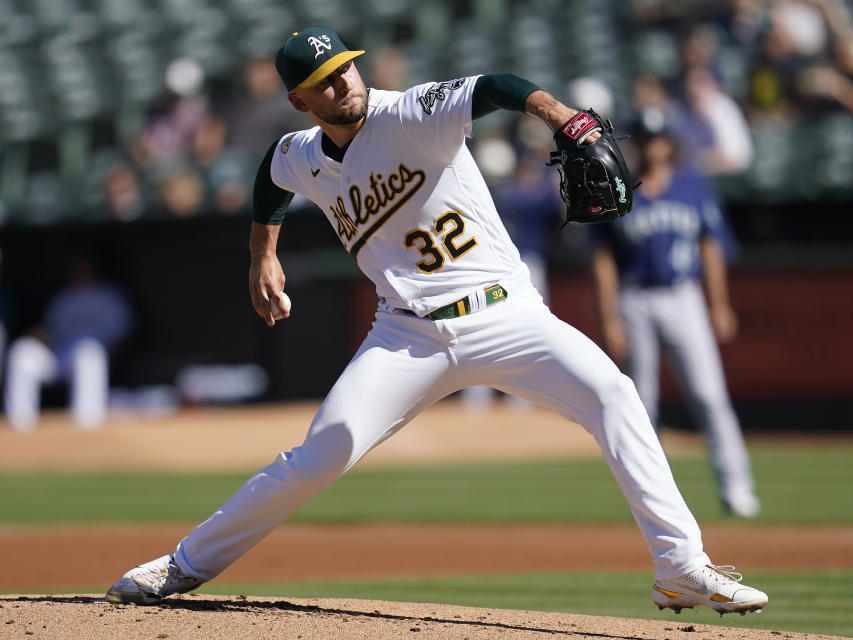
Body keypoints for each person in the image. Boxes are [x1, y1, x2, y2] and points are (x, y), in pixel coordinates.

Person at [106, 26, 768, 615]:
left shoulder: (411, 112)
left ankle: (680, 568)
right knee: (320, 453)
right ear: (300, 102)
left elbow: (499, 86)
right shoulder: (301, 151)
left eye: (345, 67)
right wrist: (263, 256)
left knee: (613, 393)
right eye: (322, 82)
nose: (342, 82)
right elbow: (270, 178)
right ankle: (184, 565)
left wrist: (558, 113)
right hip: (406, 335)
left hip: (505, 313)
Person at [590, 113, 760, 519]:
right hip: (635, 298)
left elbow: (711, 247)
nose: (653, 145)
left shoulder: (692, 184)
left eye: (658, 137)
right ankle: (651, 501)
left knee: (709, 395)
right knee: (641, 404)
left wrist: (718, 303)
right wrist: (609, 317)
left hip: (685, 295)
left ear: (669, 142)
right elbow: (603, 259)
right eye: (646, 136)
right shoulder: (618, 184)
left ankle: (737, 488)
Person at [4, 252, 133, 432]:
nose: (80, 272)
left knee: (88, 352)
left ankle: (87, 425)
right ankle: (19, 425)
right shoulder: (63, 298)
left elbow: (122, 333)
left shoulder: (108, 296)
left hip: (93, 355)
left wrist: (114, 356)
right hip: (60, 354)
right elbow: (49, 332)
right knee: (22, 353)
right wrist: (35, 335)